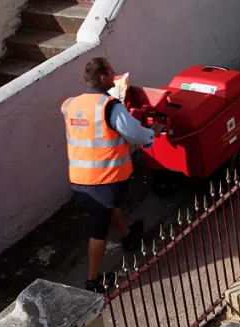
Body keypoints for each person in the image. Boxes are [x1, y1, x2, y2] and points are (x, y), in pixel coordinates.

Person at [62, 57, 165, 292]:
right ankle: (92, 281)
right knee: (98, 230)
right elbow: (134, 134)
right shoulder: (109, 106)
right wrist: (153, 132)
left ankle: (128, 236)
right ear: (103, 78)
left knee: (109, 209)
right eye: (111, 72)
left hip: (80, 179)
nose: (114, 75)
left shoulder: (71, 105)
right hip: (104, 178)